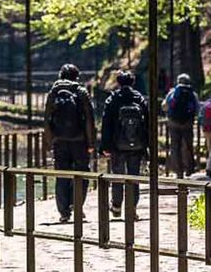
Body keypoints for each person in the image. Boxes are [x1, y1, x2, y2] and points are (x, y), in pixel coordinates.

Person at [42, 63, 96, 222]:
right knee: (82, 173)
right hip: (79, 140)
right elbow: (89, 120)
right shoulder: (81, 92)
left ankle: (64, 212)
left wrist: (49, 141)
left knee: (62, 174)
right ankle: (77, 205)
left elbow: (47, 120)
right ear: (76, 77)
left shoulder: (53, 93)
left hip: (59, 140)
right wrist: (91, 143)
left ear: (60, 76)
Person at [99, 70, 148, 216]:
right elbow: (148, 124)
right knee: (134, 176)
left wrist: (104, 146)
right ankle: (132, 208)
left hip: (116, 145)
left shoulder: (112, 99)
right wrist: (147, 145)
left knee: (117, 175)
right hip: (137, 144)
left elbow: (106, 124)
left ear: (118, 82)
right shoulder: (139, 99)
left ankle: (116, 206)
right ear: (132, 82)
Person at [162, 74, 198, 176]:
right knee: (187, 145)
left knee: (175, 146)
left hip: (173, 122)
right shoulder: (192, 94)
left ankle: (178, 171)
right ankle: (189, 169)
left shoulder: (173, 92)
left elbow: (164, 106)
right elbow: (197, 108)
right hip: (187, 123)